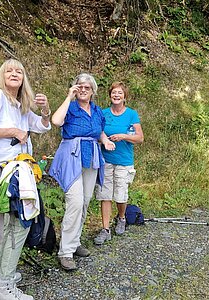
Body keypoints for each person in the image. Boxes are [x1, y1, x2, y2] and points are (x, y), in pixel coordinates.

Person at [0, 58, 51, 300]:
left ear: (24, 77)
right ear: (2, 75)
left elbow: (42, 126)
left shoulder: (20, 105)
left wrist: (46, 110)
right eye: (9, 70)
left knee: (6, 225)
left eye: (19, 70)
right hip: (7, 170)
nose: (14, 73)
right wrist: (12, 132)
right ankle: (4, 287)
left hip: (18, 168)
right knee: (20, 225)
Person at [49, 73, 115, 271]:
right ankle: (65, 252)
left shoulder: (96, 111)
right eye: (80, 86)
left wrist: (105, 140)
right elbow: (56, 121)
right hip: (71, 156)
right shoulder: (70, 106)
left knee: (85, 200)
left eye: (87, 87)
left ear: (93, 91)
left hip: (91, 156)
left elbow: (98, 131)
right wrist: (69, 97)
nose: (84, 89)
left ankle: (75, 241)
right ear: (75, 89)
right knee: (75, 201)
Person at [94, 81, 144, 245]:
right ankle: (105, 229)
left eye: (119, 93)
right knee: (105, 194)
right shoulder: (103, 113)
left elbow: (139, 138)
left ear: (124, 97)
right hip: (106, 160)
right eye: (114, 92)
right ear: (110, 95)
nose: (116, 95)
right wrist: (103, 140)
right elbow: (97, 132)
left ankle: (121, 217)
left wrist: (123, 136)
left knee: (121, 194)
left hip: (124, 160)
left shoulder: (131, 114)